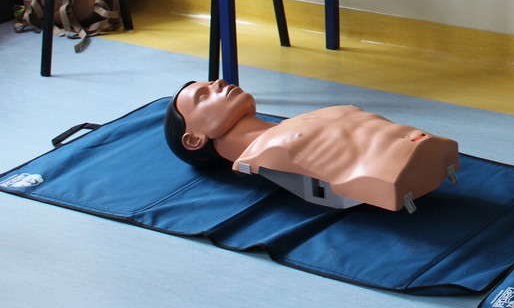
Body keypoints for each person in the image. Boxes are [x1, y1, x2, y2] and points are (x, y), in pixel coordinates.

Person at [164, 79, 461, 213]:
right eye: (203, 97)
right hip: (394, 174)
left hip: (422, 150)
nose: (218, 82)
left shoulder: (295, 126)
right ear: (194, 139)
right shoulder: (271, 150)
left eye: (210, 83)